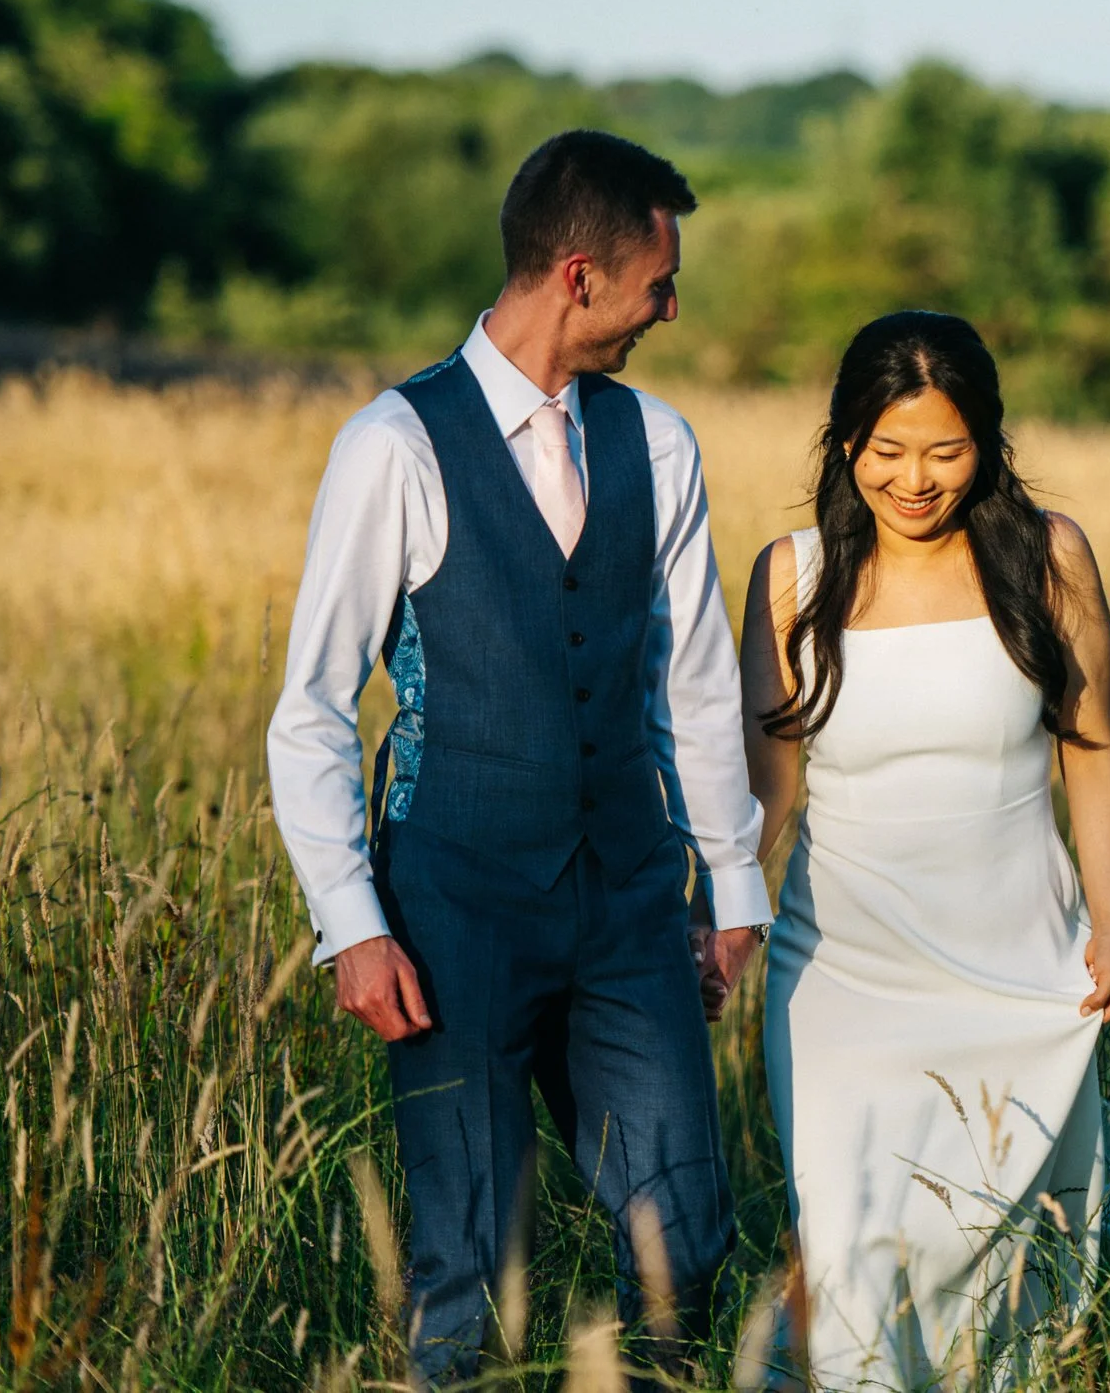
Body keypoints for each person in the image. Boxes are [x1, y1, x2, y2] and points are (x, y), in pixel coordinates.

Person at [266, 130, 771, 1385]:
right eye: (660, 279)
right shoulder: (393, 442)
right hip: (454, 912)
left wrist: (734, 888)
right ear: (582, 274)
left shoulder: (658, 444)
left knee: (685, 1237)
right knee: (463, 1270)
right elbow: (315, 705)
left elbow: (695, 683)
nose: (672, 304)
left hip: (631, 905)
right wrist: (352, 923)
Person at [737, 310, 1110, 1390]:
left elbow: (1090, 750)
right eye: (887, 451)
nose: (914, 480)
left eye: (946, 452)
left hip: (1017, 966)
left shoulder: (1048, 556)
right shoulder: (789, 576)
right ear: (845, 443)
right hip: (841, 979)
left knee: (998, 1260)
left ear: (988, 445)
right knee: (853, 1243)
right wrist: (714, 912)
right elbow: (770, 788)